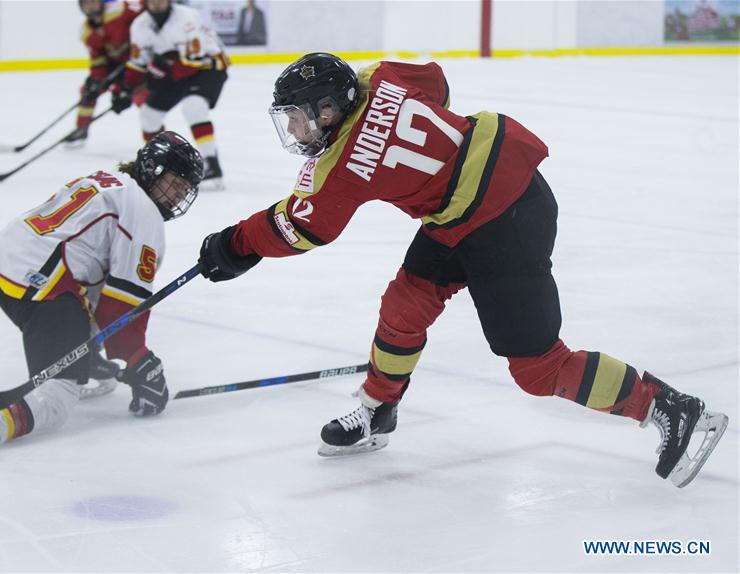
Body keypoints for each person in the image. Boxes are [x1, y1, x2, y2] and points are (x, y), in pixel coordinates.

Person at [196, 53, 729, 487]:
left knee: (538, 368)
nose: (295, 128)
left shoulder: (342, 168)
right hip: (471, 203)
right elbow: (435, 81)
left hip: (505, 221)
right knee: (406, 303)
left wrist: (233, 245)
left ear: (332, 108)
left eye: (300, 116)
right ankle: (378, 408)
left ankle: (668, 407)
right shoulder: (378, 74)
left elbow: (302, 227)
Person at [0, 132, 205, 461]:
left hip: (10, 272)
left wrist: (96, 346)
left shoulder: (112, 181)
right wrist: (141, 362)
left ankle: (86, 361)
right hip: (44, 285)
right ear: (153, 170)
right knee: (59, 398)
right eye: (175, 183)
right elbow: (123, 306)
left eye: (186, 189)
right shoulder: (144, 212)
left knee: (87, 315)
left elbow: (101, 289)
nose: (178, 196)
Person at [113, 0, 229, 190]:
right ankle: (162, 163)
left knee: (194, 107)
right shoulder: (140, 25)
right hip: (173, 72)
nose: (157, 3)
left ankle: (211, 163)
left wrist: (158, 73)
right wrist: (125, 89)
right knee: (149, 116)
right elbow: (138, 63)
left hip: (208, 67)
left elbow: (193, 62)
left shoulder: (186, 17)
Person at [65, 0, 146, 145]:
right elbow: (98, 60)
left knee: (143, 98)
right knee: (88, 91)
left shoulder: (121, 10)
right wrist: (96, 80)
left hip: (138, 63)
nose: (90, 6)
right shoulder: (86, 32)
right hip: (115, 66)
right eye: (86, 4)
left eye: (93, 2)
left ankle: (156, 137)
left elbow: (146, 15)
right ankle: (81, 128)